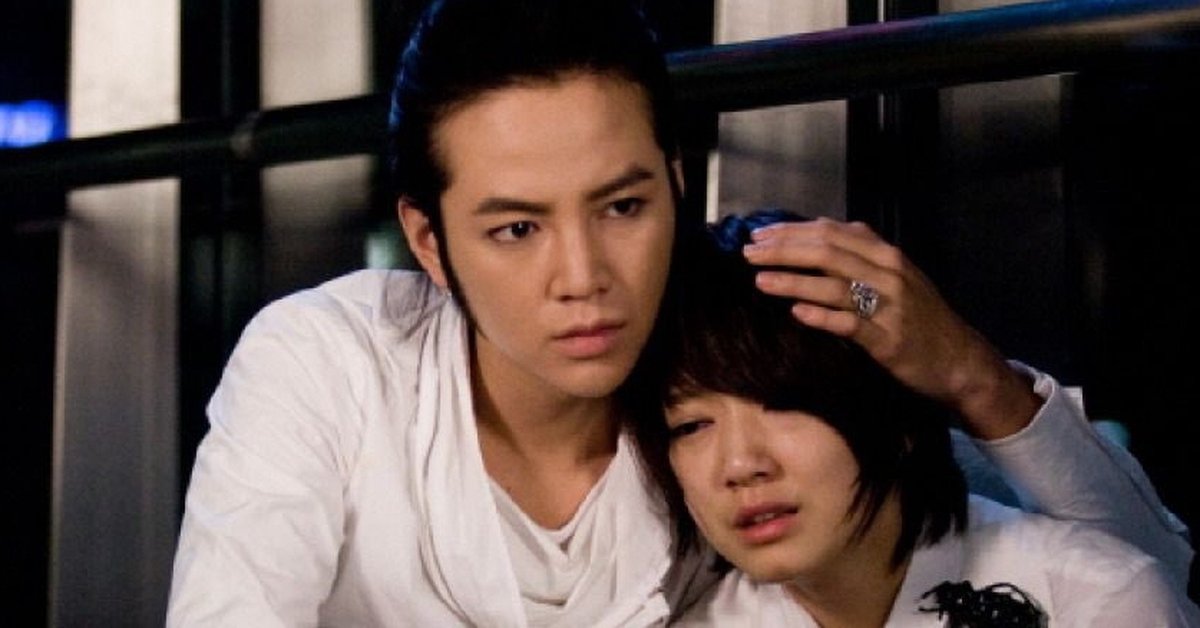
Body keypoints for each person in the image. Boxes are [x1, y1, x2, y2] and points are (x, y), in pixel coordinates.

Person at [165, 1, 1191, 626]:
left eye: (622, 207)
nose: (584, 277)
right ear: (429, 243)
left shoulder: (729, 360)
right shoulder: (328, 362)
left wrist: (972, 377)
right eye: (517, 228)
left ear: (674, 182)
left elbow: (1143, 579)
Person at [627, 208, 1199, 626]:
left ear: (893, 418)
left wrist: (966, 368)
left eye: (786, 405)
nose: (740, 465)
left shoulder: (1094, 598)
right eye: (691, 426)